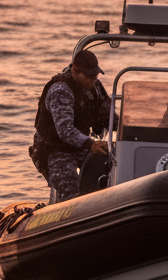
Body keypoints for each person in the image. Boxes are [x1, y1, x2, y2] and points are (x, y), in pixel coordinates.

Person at [30, 49, 111, 203]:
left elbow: (108, 116)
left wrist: (130, 129)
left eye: (95, 75)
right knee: (70, 194)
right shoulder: (60, 90)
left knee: (108, 166)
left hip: (80, 147)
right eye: (88, 76)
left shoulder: (95, 87)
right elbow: (65, 130)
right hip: (55, 151)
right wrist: (91, 143)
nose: (92, 80)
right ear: (75, 70)